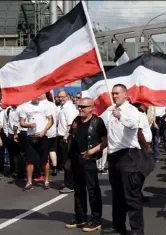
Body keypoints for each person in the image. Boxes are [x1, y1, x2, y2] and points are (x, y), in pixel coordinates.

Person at [101, 84, 147, 235]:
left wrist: (120, 116)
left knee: (131, 196)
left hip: (128, 155)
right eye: (113, 94)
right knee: (117, 194)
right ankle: (118, 226)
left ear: (125, 95)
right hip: (114, 156)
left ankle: (137, 231)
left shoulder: (131, 111)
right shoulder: (110, 111)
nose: (114, 96)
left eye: (117, 93)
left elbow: (134, 125)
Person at [64, 98, 107, 232]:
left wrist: (92, 151)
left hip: (90, 160)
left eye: (83, 106)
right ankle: (80, 217)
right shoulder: (76, 121)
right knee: (78, 189)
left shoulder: (97, 122)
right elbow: (72, 140)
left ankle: (95, 219)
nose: (80, 109)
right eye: (79, 106)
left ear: (91, 108)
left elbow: (105, 142)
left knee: (93, 190)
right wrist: (69, 159)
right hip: (76, 159)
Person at [20, 96, 53, 191]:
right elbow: (22, 123)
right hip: (31, 137)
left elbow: (51, 121)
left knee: (44, 160)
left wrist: (44, 130)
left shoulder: (45, 106)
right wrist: (29, 125)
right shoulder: (25, 107)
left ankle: (46, 180)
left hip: (42, 137)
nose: (38, 97)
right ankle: (29, 182)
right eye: (36, 95)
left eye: (39, 95)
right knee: (29, 161)